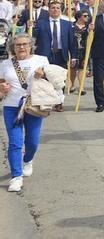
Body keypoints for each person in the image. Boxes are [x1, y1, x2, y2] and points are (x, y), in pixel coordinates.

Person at [0, 33, 50, 192]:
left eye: (24, 44)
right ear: (12, 48)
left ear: (30, 46)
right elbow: (1, 84)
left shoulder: (41, 60)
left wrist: (43, 76)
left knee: (32, 142)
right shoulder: (5, 64)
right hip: (11, 106)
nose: (21, 47)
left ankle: (28, 160)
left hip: (33, 106)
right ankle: (16, 176)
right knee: (15, 142)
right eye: (17, 45)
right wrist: (2, 89)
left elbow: (54, 82)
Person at [69, 9, 90, 95]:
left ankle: (81, 87)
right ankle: (72, 84)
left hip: (84, 50)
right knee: (73, 68)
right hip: (73, 49)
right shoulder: (72, 26)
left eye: (87, 16)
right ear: (79, 17)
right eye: (85, 16)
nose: (87, 17)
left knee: (82, 68)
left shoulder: (88, 27)